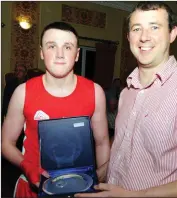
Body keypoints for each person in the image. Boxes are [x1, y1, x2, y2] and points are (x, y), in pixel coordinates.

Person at [75, 1, 177, 197]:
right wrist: (101, 174)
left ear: (172, 34)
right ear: (128, 37)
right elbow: (127, 150)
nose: (144, 37)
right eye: (137, 29)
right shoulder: (127, 92)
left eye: (154, 27)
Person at [1, 21, 110, 197]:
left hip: (79, 188)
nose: (59, 54)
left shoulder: (95, 92)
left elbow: (102, 141)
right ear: (42, 52)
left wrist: (102, 181)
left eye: (67, 47)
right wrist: (28, 167)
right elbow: (5, 143)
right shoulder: (23, 92)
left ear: (77, 54)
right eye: (52, 46)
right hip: (30, 189)